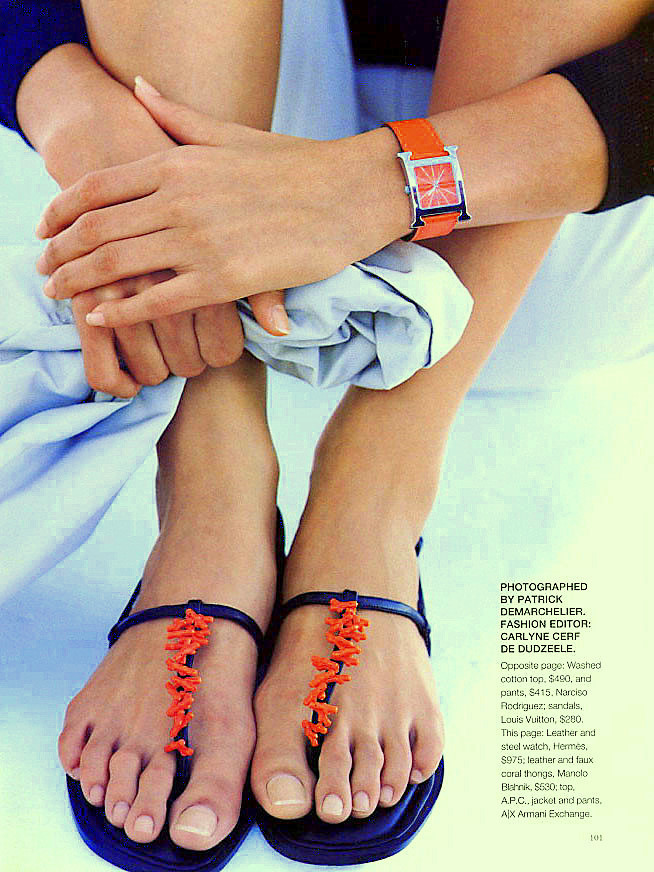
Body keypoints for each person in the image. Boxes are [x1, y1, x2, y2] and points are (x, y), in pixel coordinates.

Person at [0, 0, 652, 861]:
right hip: (232, 84)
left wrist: (378, 183)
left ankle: (375, 485)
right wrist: (68, 97)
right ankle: (211, 489)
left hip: (576, 169)